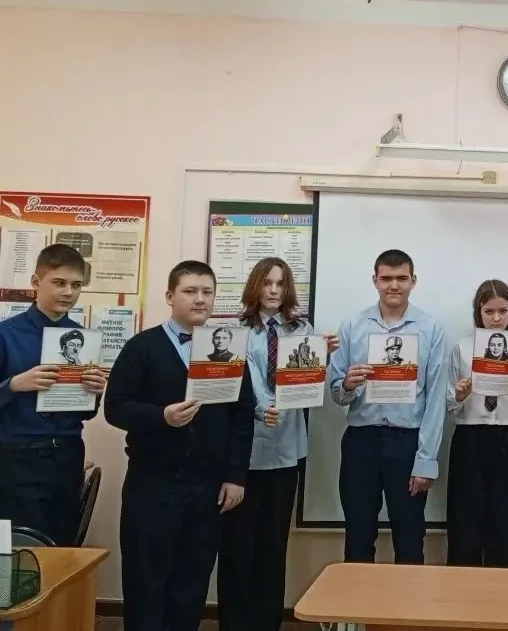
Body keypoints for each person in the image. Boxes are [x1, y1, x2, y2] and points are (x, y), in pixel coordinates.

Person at [104, 260, 255, 631]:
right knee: (146, 580)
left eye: (207, 292)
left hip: (207, 487)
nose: (199, 299)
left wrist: (236, 475)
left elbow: (242, 415)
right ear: (170, 296)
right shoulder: (142, 347)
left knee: (192, 582)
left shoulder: (229, 349)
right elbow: (115, 407)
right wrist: (162, 416)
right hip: (153, 483)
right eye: (190, 291)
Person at [216, 257, 338, 631]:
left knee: (272, 546)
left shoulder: (302, 330)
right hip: (244, 455)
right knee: (237, 547)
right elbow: (238, 380)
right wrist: (260, 406)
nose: (273, 290)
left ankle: (267, 623)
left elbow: (306, 385)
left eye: (280, 284)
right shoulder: (234, 330)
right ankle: (235, 624)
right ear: (255, 285)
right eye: (266, 283)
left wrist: (322, 358)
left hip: (286, 451)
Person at [328, 249, 447, 564]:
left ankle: (405, 600)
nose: (394, 285)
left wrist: (426, 460)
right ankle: (357, 600)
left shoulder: (431, 328)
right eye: (387, 278)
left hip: (407, 443)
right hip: (361, 441)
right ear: (375, 280)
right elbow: (336, 393)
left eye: (402, 278)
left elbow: (436, 399)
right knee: (358, 535)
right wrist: (348, 385)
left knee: (409, 539)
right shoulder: (352, 326)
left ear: (413, 281)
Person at [0, 244, 106, 546]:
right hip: (18, 457)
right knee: (16, 549)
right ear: (36, 282)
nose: (68, 292)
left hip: (68, 456)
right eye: (59, 283)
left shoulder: (83, 339)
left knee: (62, 547)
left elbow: (86, 412)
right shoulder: (6, 335)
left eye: (76, 285)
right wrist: (14, 384)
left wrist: (94, 392)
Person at [446, 279, 508, 567]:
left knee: (505, 522)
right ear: (478, 312)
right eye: (489, 311)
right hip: (469, 438)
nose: (496, 318)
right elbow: (449, 406)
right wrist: (459, 396)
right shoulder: (462, 349)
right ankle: (462, 587)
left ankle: (503, 590)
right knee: (465, 522)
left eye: (503, 311)